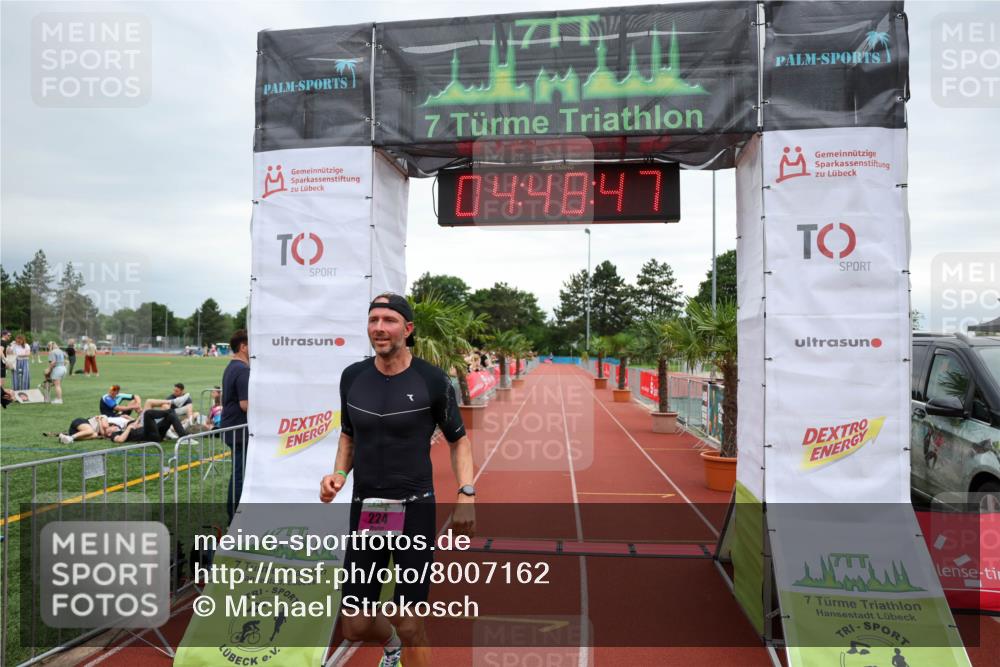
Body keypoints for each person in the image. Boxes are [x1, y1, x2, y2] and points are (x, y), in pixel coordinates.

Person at [319, 293, 475, 667]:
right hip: (369, 508)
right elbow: (348, 435)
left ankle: (406, 645)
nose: (379, 328)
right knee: (354, 625)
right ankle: (390, 646)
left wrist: (466, 492)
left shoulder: (432, 380)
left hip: (415, 506)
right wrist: (338, 473)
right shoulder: (353, 377)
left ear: (407, 329)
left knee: (409, 621)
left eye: (389, 320)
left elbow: (460, 441)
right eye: (373, 320)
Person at [221, 329, 250, 519]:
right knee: (240, 474)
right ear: (243, 347)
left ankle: (235, 513)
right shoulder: (242, 370)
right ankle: (235, 514)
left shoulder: (232, 367)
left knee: (239, 472)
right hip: (239, 430)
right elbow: (245, 405)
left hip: (232, 428)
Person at [106, 408, 188, 443]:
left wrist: (136, 420)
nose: (113, 425)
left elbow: (136, 424)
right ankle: (171, 411)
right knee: (148, 413)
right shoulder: (115, 435)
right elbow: (120, 440)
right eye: (110, 427)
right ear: (109, 433)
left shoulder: (123, 428)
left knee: (170, 416)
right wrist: (129, 428)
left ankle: (184, 438)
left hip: (155, 433)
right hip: (148, 437)